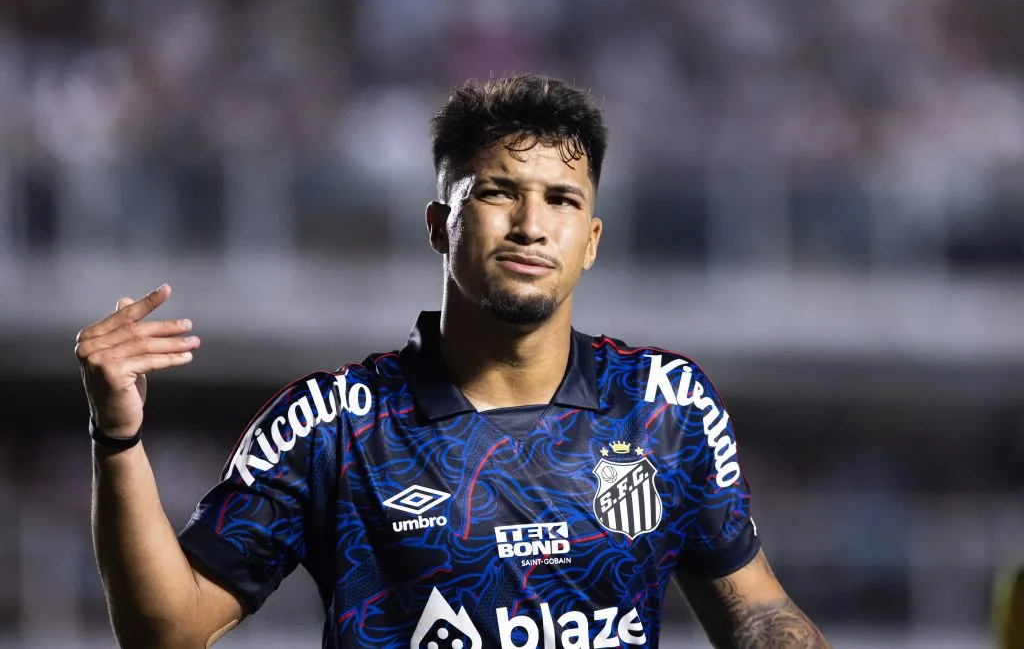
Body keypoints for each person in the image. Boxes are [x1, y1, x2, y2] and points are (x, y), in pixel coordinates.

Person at [77, 75, 830, 649]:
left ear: (592, 239)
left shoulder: (666, 406)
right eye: (499, 192)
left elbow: (757, 609)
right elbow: (167, 629)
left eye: (562, 200)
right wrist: (116, 436)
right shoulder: (334, 426)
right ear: (441, 225)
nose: (533, 225)